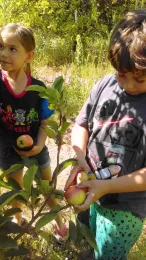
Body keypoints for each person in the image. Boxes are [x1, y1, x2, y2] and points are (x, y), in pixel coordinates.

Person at [65, 9, 146, 259]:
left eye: (140, 79)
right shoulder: (104, 85)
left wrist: (106, 186)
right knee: (86, 236)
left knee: (108, 252)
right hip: (89, 186)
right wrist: (80, 160)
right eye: (123, 75)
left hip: (125, 211)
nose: (128, 85)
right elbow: (82, 124)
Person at [0, 23, 67, 238]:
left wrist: (39, 144)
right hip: (8, 147)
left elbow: (46, 122)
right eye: (1, 46)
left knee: (47, 187)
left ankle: (59, 222)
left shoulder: (39, 90)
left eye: (12, 48)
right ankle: (19, 221)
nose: (4, 53)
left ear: (29, 56)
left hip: (36, 145)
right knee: (16, 188)